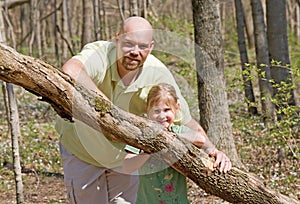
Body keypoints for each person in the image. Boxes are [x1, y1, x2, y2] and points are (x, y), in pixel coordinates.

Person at [55, 16, 231, 204]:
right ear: (117, 39)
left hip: (124, 156)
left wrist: (213, 149)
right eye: (128, 44)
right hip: (83, 149)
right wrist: (110, 111)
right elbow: (71, 70)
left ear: (151, 47)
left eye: (142, 46)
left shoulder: (158, 73)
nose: (135, 52)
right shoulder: (99, 53)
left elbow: (185, 121)